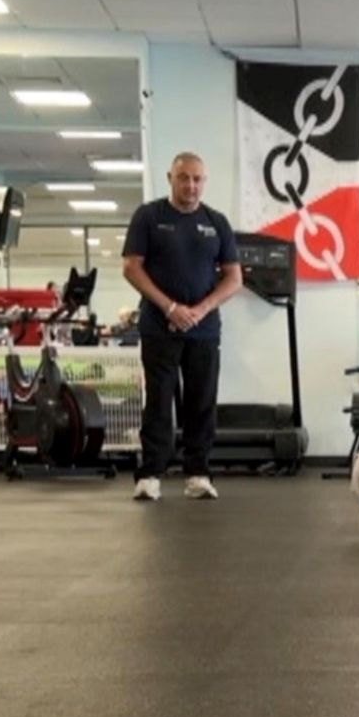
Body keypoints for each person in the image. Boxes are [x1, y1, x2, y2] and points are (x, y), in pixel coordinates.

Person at [121, 151, 241, 503]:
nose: (191, 184)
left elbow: (233, 278)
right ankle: (150, 475)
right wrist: (170, 307)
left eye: (197, 179)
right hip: (159, 328)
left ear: (205, 182)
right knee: (159, 400)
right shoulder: (149, 216)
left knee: (201, 401)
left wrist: (200, 309)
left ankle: (198, 474)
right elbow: (132, 267)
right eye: (184, 177)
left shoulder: (216, 222)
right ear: (170, 178)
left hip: (203, 331)